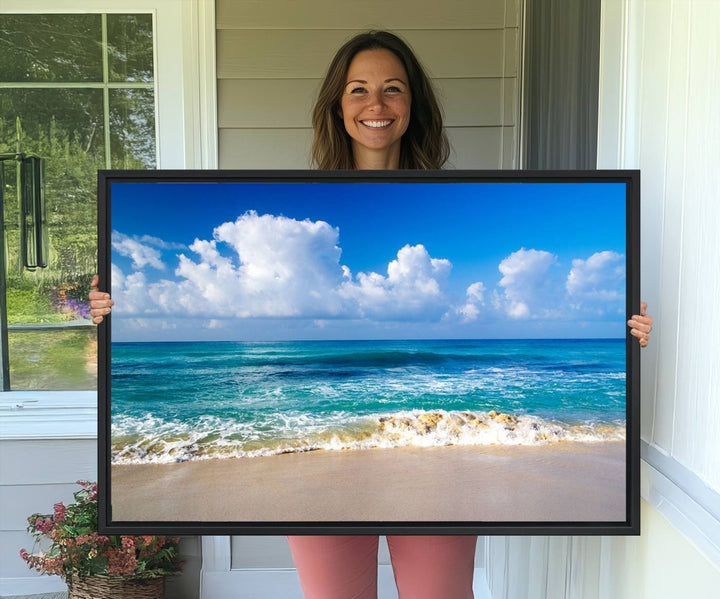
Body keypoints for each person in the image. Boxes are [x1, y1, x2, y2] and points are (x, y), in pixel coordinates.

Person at [89, 30, 653, 599]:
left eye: (393, 89)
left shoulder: (460, 198)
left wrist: (624, 328)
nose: (376, 105)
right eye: (358, 90)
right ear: (338, 105)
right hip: (316, 450)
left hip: (438, 455)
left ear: (413, 105)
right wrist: (111, 312)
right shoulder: (292, 203)